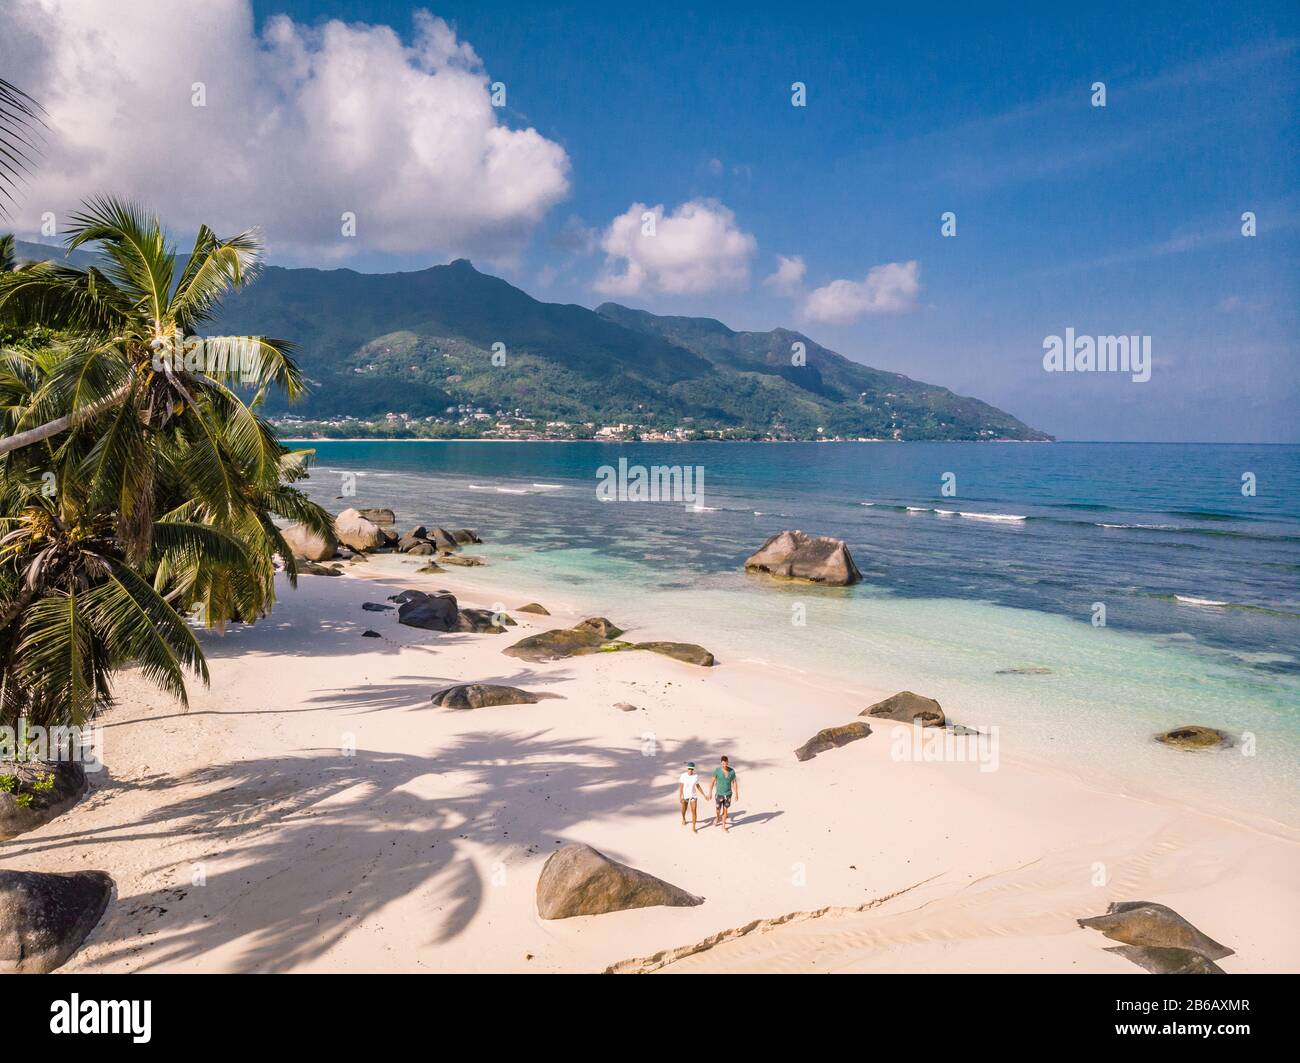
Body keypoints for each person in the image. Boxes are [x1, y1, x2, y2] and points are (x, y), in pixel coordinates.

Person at [708, 755, 738, 831]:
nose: (724, 765)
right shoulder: (717, 771)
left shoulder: (732, 771)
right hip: (719, 794)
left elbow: (734, 782)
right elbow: (712, 782)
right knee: (718, 809)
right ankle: (718, 817)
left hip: (728, 794)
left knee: (725, 810)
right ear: (721, 763)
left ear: (728, 762)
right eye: (723, 763)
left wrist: (736, 793)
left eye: (726, 763)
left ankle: (723, 826)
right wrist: (710, 793)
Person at [678, 762, 705, 832]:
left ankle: (693, 827)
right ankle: (683, 818)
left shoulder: (695, 776)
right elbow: (681, 786)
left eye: (692, 769)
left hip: (693, 795)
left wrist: (704, 795)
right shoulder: (683, 775)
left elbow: (698, 786)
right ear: (687, 768)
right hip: (685, 796)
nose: (690, 770)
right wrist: (680, 796)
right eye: (689, 769)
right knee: (684, 809)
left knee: (694, 811)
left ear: (693, 769)